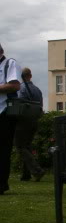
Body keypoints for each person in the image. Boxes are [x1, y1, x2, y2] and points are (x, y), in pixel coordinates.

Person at [14, 67, 45, 181]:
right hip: (34, 120)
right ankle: (26, 174)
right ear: (30, 76)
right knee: (27, 146)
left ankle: (37, 170)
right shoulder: (37, 90)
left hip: (23, 120)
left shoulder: (20, 89)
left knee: (20, 146)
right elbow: (40, 105)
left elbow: (19, 103)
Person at [0, 42, 21, 195]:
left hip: (5, 111)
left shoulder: (9, 63)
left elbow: (14, 85)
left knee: (3, 149)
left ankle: (1, 184)